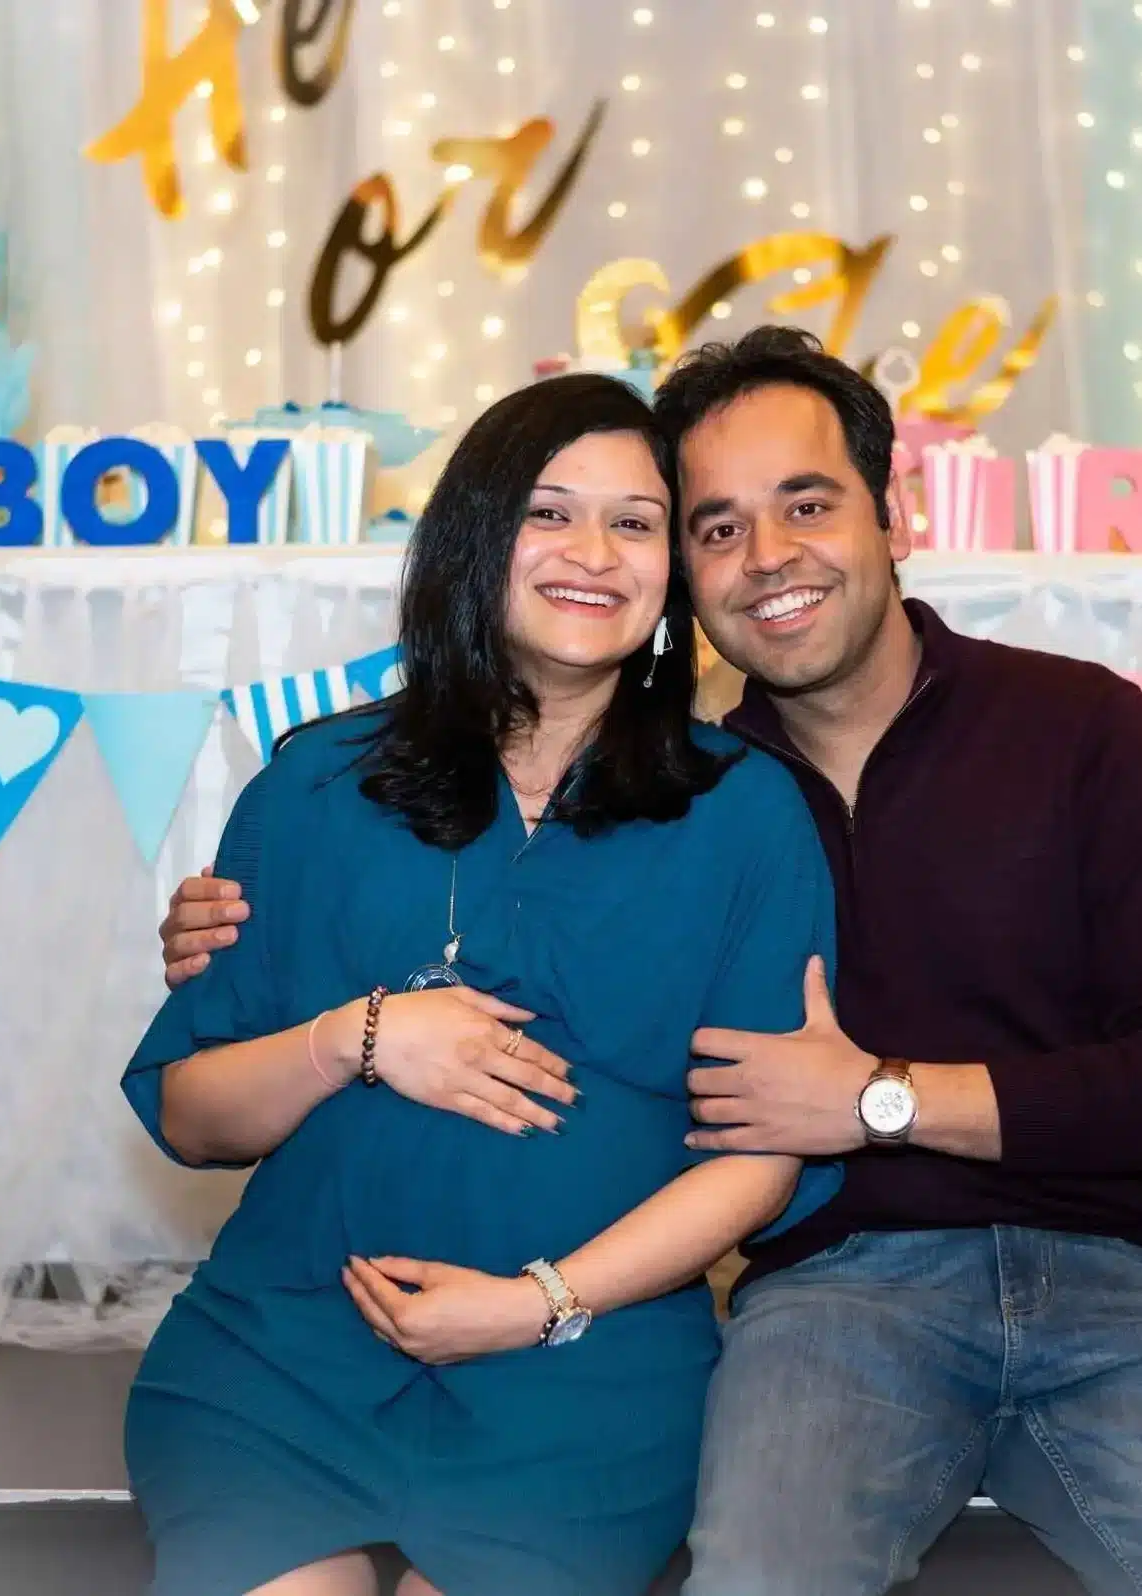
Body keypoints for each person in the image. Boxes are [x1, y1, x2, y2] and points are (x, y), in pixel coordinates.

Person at [161, 328, 1142, 1595]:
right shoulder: (691, 787)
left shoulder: (1078, 728)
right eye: (718, 527)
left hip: (1117, 1283)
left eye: (807, 503)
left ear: (891, 514)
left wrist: (881, 1098)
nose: (768, 556)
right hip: (840, 1298)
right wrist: (284, 967)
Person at [122, 371, 842, 1596]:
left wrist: (535, 1303)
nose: (593, 554)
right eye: (549, 513)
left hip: (586, 1373)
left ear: (671, 572)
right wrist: (356, 1036)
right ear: (472, 539)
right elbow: (190, 1117)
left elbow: (760, 1152)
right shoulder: (314, 784)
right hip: (287, 1355)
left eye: (635, 522)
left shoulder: (746, 812)